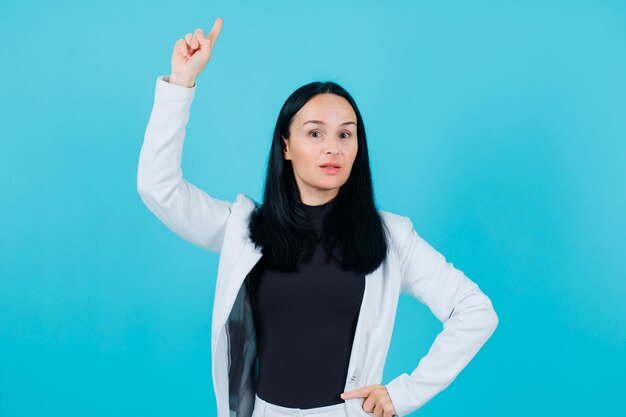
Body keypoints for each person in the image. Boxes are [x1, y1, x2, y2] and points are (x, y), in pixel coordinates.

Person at [137, 17, 499, 417]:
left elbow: (475, 310)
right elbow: (159, 188)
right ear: (286, 146)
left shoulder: (390, 237)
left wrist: (404, 394)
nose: (333, 148)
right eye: (315, 133)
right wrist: (180, 83)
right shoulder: (243, 228)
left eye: (345, 134)